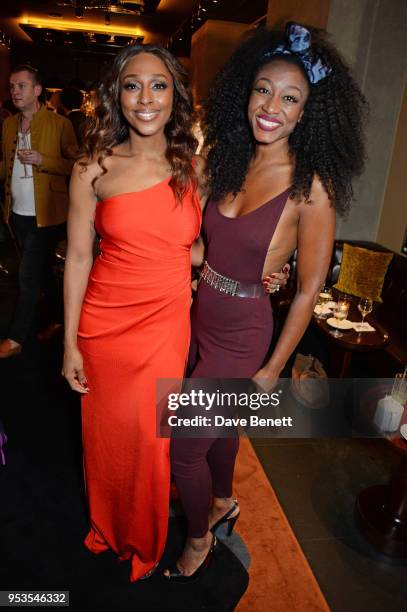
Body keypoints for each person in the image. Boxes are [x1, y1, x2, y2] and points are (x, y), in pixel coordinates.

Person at [165, 22, 367, 580]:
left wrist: (274, 368)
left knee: (183, 447)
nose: (271, 106)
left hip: (243, 334)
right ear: (245, 93)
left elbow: (307, 289)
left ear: (307, 113)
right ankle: (225, 499)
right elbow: (207, 246)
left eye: (290, 97)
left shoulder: (312, 187)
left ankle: (200, 538)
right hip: (200, 312)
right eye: (262, 90)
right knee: (221, 430)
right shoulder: (230, 158)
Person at [62, 43, 204, 582]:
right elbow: (78, 257)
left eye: (159, 85)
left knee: (149, 439)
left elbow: (198, 245)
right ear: (116, 96)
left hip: (165, 324)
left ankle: (143, 538)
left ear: (176, 96)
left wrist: (256, 271)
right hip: (104, 326)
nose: (146, 98)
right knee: (107, 438)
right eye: (132, 85)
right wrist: (71, 342)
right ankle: (108, 525)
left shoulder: (194, 166)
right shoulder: (91, 166)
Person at [0, 65, 77, 358]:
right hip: (16, 213)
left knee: (27, 274)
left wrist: (43, 159)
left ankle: (16, 339)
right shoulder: (9, 125)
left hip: (47, 214)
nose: (15, 92)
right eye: (11, 87)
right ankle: (58, 318)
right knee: (42, 274)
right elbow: (7, 168)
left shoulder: (60, 125)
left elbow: (75, 165)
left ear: (37, 90)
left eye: (21, 86)